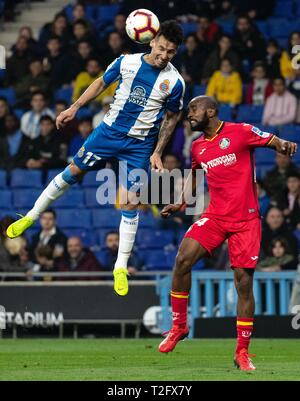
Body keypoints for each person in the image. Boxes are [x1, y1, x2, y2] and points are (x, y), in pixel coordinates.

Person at [6, 21, 185, 298]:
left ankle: (121, 266)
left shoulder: (174, 82)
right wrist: (74, 108)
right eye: (161, 48)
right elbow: (101, 83)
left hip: (139, 145)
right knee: (72, 172)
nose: (164, 56)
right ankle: (31, 217)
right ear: (151, 41)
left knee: (130, 201)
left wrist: (158, 151)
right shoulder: (126, 62)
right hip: (108, 133)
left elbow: (172, 117)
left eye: (170, 52)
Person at [158, 95, 297, 371]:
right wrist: (182, 202)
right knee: (183, 259)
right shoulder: (198, 147)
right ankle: (179, 326)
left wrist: (283, 144)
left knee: (243, 283)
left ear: (211, 111)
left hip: (246, 220)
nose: (190, 115)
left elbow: (271, 139)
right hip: (216, 216)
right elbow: (196, 176)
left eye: (194, 109)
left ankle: (242, 352)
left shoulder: (240, 132)